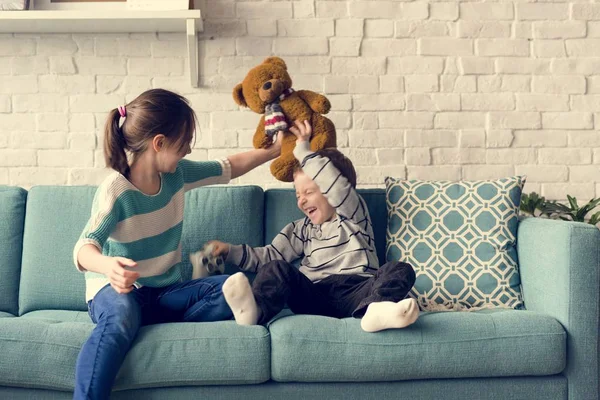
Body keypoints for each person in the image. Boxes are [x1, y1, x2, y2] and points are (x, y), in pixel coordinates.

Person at [72, 88, 281, 400]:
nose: (187, 151)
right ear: (159, 143)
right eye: (183, 145)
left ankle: (161, 310)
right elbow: (83, 249)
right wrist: (108, 266)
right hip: (116, 290)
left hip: (160, 292)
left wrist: (273, 151)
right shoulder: (115, 190)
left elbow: (228, 167)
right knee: (121, 318)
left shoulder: (177, 175)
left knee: (228, 287)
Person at [207, 120, 419, 333]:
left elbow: (336, 185)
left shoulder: (352, 214)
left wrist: (303, 150)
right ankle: (255, 311)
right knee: (276, 268)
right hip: (315, 295)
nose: (301, 201)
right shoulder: (301, 230)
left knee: (400, 269)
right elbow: (269, 256)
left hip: (358, 292)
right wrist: (230, 252)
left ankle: (376, 310)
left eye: (309, 192)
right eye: (298, 195)